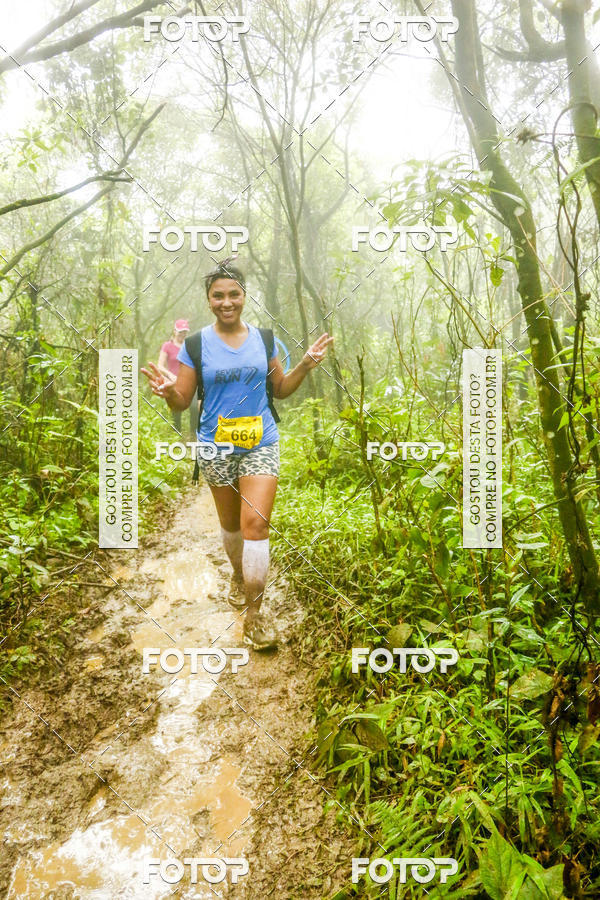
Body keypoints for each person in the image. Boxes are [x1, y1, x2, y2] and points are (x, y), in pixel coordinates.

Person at [141, 261, 333, 651]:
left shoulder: (264, 339)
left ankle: (255, 616)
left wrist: (305, 365)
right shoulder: (195, 345)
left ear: (244, 297)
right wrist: (169, 392)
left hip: (261, 442)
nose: (226, 302)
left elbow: (280, 389)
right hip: (216, 445)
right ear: (209, 300)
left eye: (234, 294)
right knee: (231, 526)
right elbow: (182, 401)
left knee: (255, 525)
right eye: (218, 296)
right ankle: (238, 574)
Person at [157, 320, 194, 435]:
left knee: (195, 409)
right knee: (176, 413)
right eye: (180, 331)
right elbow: (160, 366)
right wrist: (170, 375)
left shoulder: (189, 346)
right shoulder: (167, 346)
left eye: (185, 332)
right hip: (174, 384)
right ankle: (177, 438)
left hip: (190, 383)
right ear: (174, 331)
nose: (183, 334)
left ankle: (194, 436)